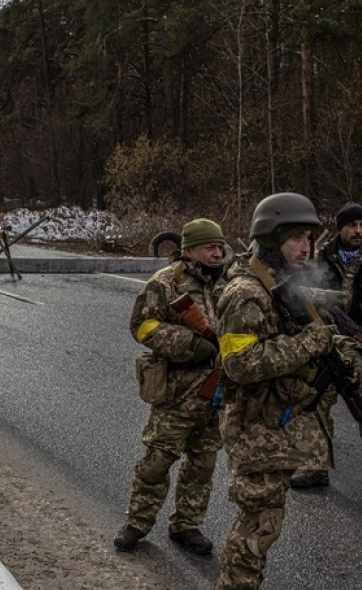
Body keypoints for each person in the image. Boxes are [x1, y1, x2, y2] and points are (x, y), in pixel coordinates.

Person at [214, 192, 362, 589]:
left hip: (274, 428)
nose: (307, 247)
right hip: (256, 431)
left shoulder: (279, 283)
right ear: (270, 238)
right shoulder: (246, 292)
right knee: (256, 533)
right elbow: (239, 364)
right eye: (298, 238)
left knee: (264, 529)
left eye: (310, 238)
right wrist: (313, 342)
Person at [114, 219, 228, 556]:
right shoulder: (166, 283)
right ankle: (137, 522)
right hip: (177, 390)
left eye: (220, 247)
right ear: (189, 250)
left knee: (203, 463)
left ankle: (187, 525)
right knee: (158, 460)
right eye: (210, 247)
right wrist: (189, 343)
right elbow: (142, 325)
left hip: (216, 388)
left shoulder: (229, 284)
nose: (217, 253)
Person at [289, 202, 362, 495]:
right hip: (327, 347)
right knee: (312, 404)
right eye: (352, 225)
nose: (358, 231)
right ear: (341, 227)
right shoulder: (317, 260)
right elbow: (296, 297)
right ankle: (315, 466)